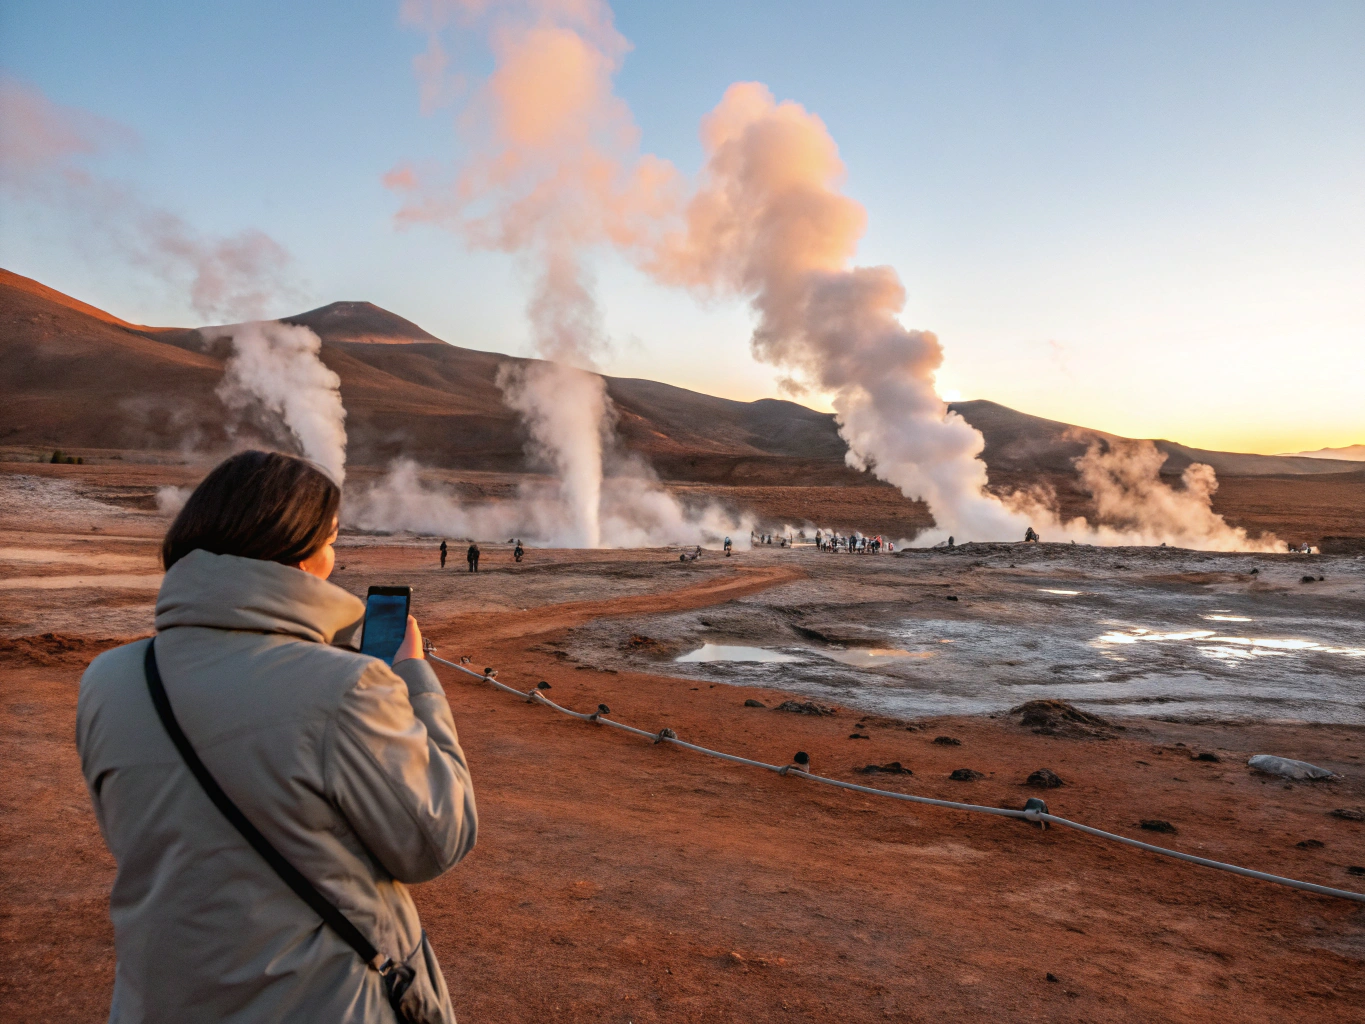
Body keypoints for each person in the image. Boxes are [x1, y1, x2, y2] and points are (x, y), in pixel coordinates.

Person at [76, 450, 476, 1023]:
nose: (334, 558)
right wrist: (414, 682)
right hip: (320, 1003)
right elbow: (437, 838)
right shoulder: (346, 687)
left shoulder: (109, 679)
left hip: (157, 1001)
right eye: (331, 540)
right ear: (298, 552)